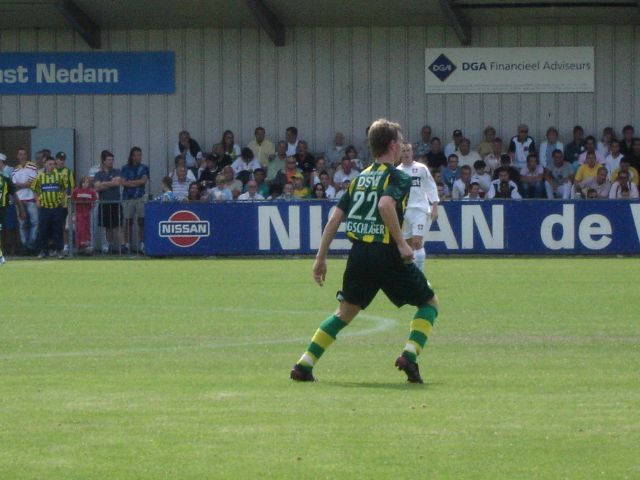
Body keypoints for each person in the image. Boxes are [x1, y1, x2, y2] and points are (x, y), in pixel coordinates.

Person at [290, 118, 440, 384]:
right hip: (386, 254)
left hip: (358, 255)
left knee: (344, 314)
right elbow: (385, 205)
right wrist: (402, 243)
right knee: (429, 304)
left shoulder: (358, 179)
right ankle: (410, 354)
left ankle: (305, 364)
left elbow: (334, 219)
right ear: (393, 144)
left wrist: (320, 258)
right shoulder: (398, 177)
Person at [397, 142, 439, 273]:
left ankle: (420, 277)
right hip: (405, 211)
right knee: (408, 246)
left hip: (420, 209)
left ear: (412, 152)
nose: (406, 153)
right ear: (399, 153)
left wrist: (435, 206)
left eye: (408, 150)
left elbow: (430, 186)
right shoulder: (397, 171)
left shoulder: (421, 168)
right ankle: (411, 276)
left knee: (417, 242)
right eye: (403, 151)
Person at [32, 156, 68, 259]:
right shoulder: (40, 177)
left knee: (57, 229)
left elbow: (64, 189)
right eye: (50, 164)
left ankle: (59, 250)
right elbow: (34, 189)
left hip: (56, 207)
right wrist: (37, 201)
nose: (52, 166)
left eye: (53, 164)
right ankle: (43, 250)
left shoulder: (59, 176)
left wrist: (62, 199)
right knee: (43, 229)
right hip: (45, 207)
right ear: (45, 165)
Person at [94, 150, 124, 254]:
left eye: (112, 159)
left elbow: (117, 182)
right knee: (108, 227)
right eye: (109, 160)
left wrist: (104, 184)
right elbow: (97, 187)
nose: (111, 162)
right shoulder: (98, 174)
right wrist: (110, 183)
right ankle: (109, 246)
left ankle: (122, 246)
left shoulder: (117, 171)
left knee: (119, 225)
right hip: (104, 203)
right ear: (103, 161)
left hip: (116, 202)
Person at [121, 147, 149, 254]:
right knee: (128, 221)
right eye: (136, 155)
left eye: (140, 155)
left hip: (140, 197)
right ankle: (127, 245)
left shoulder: (144, 167)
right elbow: (123, 183)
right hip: (128, 198)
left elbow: (144, 181)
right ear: (132, 156)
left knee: (142, 221)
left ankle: (143, 244)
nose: (139, 157)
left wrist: (131, 183)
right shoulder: (125, 168)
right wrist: (136, 183)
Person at [11, 147, 39, 255]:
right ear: (17, 156)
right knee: (22, 224)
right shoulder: (15, 170)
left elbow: (33, 182)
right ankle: (25, 246)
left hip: (31, 198)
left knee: (35, 222)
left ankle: (30, 245)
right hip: (20, 199)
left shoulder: (33, 166)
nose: (22, 156)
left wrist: (21, 185)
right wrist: (24, 185)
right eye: (20, 154)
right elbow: (14, 185)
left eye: (24, 154)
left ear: (26, 155)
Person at [0, 170, 22, 265]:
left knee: (2, 231)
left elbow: (14, 194)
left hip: (2, 209)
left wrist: (21, 209)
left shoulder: (5, 178)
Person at [70, 176, 97, 252]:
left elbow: (94, 202)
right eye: (83, 182)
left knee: (87, 229)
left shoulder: (91, 192)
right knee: (80, 229)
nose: (85, 184)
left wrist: (90, 209)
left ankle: (86, 245)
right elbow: (72, 200)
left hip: (87, 214)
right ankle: (79, 245)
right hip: (79, 213)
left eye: (87, 182)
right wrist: (73, 213)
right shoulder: (76, 191)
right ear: (81, 183)